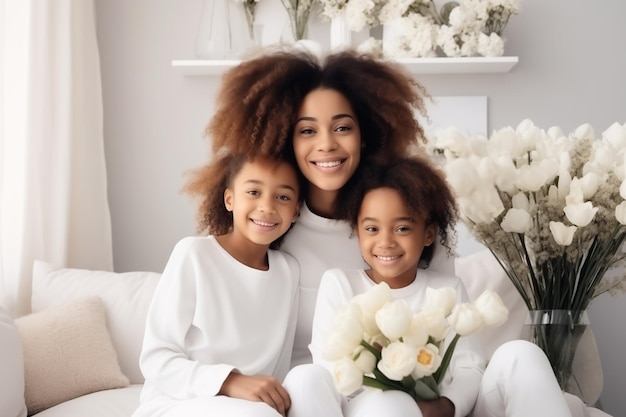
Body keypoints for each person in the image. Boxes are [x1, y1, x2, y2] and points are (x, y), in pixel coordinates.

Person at [207, 46, 455, 370]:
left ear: (365, 136)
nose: (326, 144)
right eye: (307, 130)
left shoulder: (407, 220)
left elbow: (445, 327)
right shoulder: (267, 225)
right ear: (286, 141)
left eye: (342, 127)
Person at [284, 156, 576, 417]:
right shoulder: (340, 283)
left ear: (428, 234)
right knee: (382, 401)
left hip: (446, 409)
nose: (386, 241)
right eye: (372, 228)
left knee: (522, 354)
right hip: (369, 408)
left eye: (402, 228)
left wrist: (446, 405)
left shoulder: (446, 288)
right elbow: (330, 366)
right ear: (357, 232)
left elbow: (469, 368)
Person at [132, 152, 303, 417]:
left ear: (295, 211)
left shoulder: (288, 271)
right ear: (229, 199)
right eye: (254, 191)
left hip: (252, 409)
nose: (267, 206)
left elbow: (279, 366)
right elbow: (156, 358)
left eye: (282, 197)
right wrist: (230, 381)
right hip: (177, 403)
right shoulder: (194, 255)